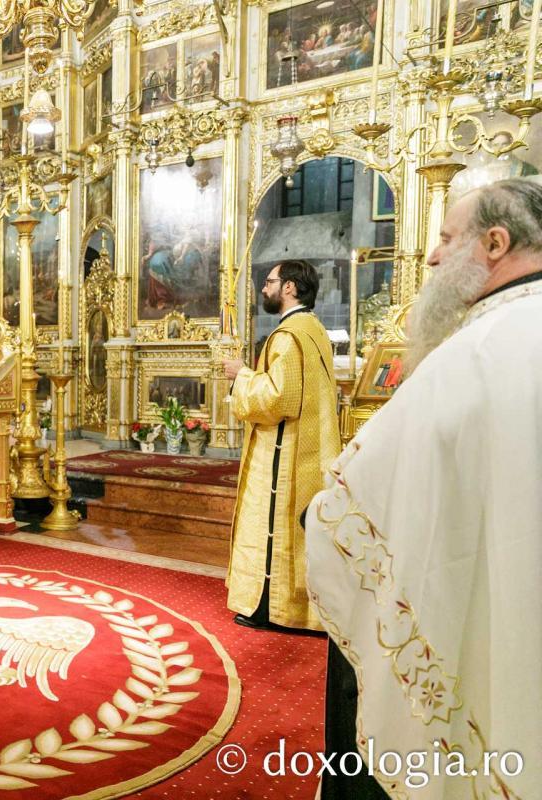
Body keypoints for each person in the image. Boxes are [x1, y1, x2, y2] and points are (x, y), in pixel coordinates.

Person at [306, 179, 542, 800]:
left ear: (496, 243)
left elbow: (348, 510)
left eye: (444, 238)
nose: (433, 257)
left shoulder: (475, 353)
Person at [223, 259, 339, 632]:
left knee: (278, 520)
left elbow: (277, 399)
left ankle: (272, 609)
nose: (263, 289)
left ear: (289, 287)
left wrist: (240, 375)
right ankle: (296, 609)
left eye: (269, 282)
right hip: (311, 447)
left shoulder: (288, 336)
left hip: (285, 453)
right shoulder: (314, 329)